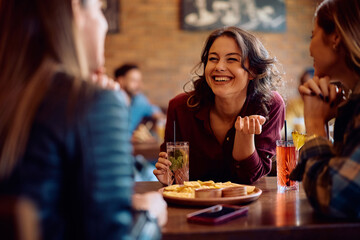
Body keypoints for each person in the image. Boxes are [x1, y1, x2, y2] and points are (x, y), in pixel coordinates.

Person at [0, 0, 166, 239]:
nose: (105, 23)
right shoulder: (92, 103)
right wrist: (150, 215)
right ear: (75, 9)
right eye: (100, 9)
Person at [154, 26, 285, 185]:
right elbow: (176, 174)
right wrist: (170, 177)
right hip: (193, 205)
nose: (219, 67)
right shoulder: (180, 108)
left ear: (252, 71)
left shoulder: (269, 105)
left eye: (231, 59)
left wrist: (244, 138)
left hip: (249, 205)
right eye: (213, 58)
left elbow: (251, 177)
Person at [290, 0, 360, 219]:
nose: (310, 47)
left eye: (312, 36)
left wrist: (314, 122)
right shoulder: (352, 105)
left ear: (336, 38)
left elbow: (334, 197)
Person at [114, 64, 166, 138]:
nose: (139, 85)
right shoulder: (108, 101)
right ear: (121, 80)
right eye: (134, 80)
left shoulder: (140, 100)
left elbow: (158, 115)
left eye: (140, 81)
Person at [285, 67, 314, 136]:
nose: (301, 88)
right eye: (301, 83)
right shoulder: (294, 104)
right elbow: (286, 127)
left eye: (307, 84)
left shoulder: (326, 104)